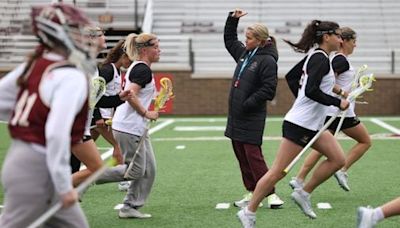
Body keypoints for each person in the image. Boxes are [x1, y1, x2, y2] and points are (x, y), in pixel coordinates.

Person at [237, 20, 349, 227]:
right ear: (326, 37)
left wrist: (332, 95)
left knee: (338, 159)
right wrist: (336, 102)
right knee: (277, 172)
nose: (341, 40)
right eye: (338, 35)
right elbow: (311, 90)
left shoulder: (320, 57)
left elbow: (295, 78)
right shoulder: (320, 59)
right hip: (300, 124)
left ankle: (303, 193)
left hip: (311, 123)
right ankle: (249, 211)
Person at [0, 4, 99, 227]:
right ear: (56, 31)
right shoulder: (71, 75)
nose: (81, 36)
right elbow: (56, 134)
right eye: (74, 29)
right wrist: (65, 187)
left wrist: (32, 117)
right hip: (38, 167)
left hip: (22, 159)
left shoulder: (34, 64)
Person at [289, 27, 371, 192]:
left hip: (335, 110)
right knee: (365, 141)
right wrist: (342, 93)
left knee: (321, 147)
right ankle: (341, 170)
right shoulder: (340, 60)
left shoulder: (338, 59)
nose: (355, 45)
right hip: (338, 111)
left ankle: (299, 178)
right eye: (353, 41)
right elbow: (327, 82)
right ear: (344, 41)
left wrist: (352, 91)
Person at [96, 32, 160, 219]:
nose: (159, 50)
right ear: (145, 50)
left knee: (149, 170)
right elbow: (130, 94)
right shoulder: (142, 69)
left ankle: (130, 207)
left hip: (133, 126)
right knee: (137, 170)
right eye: (156, 47)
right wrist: (146, 112)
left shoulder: (140, 67)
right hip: (129, 127)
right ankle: (89, 176)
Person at [223, 8, 283, 209]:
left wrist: (247, 104)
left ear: (260, 40)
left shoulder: (267, 60)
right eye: (245, 37)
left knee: (253, 156)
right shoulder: (245, 53)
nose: (245, 41)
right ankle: (251, 190)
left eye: (249, 38)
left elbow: (269, 89)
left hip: (251, 116)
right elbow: (230, 41)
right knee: (241, 155)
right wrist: (232, 20)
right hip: (236, 116)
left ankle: (271, 194)